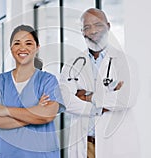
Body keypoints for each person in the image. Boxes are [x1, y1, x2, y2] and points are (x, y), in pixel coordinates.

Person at [60, 8, 140, 158]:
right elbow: (65, 100)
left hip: (115, 144)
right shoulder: (72, 64)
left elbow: (126, 99)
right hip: (85, 144)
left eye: (98, 25)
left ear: (108, 27)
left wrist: (88, 97)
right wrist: (105, 102)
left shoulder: (126, 62)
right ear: (82, 32)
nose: (93, 31)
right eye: (87, 27)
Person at [0, 25, 65, 158]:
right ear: (11, 48)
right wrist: (35, 112)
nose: (22, 48)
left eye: (29, 43)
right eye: (17, 43)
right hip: (7, 154)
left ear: (37, 47)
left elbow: (47, 115)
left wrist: (6, 111)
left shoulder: (48, 80)